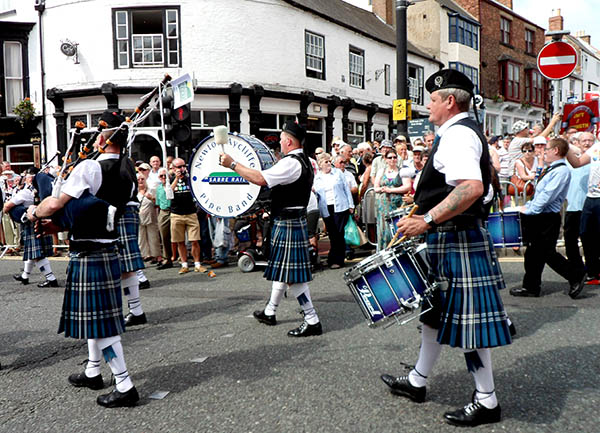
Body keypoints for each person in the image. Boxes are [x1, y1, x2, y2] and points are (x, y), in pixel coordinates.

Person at [385, 69, 511, 427]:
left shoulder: (457, 135)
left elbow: (471, 187)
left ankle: (487, 400)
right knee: (433, 315)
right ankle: (417, 381)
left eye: (432, 99)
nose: (428, 106)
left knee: (470, 325)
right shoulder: (461, 133)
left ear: (449, 101)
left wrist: (427, 220)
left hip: (456, 236)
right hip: (454, 235)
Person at [26, 110, 139, 408]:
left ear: (102, 138)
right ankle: (92, 370)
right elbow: (95, 210)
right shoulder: (129, 172)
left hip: (91, 255)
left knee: (102, 325)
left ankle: (125, 384)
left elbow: (56, 203)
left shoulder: (89, 167)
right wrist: (63, 225)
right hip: (107, 247)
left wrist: (34, 213)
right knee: (95, 318)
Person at [219, 121, 322, 337]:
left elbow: (260, 179)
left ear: (289, 141)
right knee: (285, 271)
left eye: (282, 138)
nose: (280, 143)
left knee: (294, 276)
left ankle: (312, 319)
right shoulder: (303, 161)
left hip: (288, 223)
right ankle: (270, 311)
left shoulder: (291, 163)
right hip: (290, 220)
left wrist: (232, 164)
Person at [511, 138, 586, 298]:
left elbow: (546, 196)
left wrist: (527, 209)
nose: (544, 152)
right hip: (540, 217)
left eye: (547, 149)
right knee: (533, 253)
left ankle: (575, 275)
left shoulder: (561, 171)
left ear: (556, 151)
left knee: (546, 253)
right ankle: (531, 287)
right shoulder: (551, 168)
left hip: (547, 218)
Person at [4, 169, 58, 287]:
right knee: (32, 252)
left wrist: (8, 211)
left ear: (31, 178)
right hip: (41, 220)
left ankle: (51, 278)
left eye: (27, 176)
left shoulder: (26, 192)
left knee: (37, 254)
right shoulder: (43, 189)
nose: (25, 178)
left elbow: (7, 205)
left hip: (31, 223)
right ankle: (25, 276)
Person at [565, 131, 600, 286]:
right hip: (591, 197)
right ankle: (593, 272)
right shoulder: (596, 148)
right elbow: (577, 163)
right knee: (586, 234)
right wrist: (565, 148)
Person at [314, 153, 354, 269]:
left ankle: (338, 260)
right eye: (326, 162)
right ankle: (332, 258)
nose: (329, 164)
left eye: (329, 161)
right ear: (320, 164)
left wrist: (350, 205)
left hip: (340, 206)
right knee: (332, 233)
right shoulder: (317, 177)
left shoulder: (338, 173)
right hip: (326, 208)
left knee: (338, 233)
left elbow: (346, 189)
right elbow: (317, 193)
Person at [169, 158, 204, 274]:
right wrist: (177, 179)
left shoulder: (191, 179)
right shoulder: (170, 179)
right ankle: (184, 264)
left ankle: (197, 264)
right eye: (179, 167)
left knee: (195, 240)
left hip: (191, 213)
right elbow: (168, 194)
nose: (182, 169)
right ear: (173, 168)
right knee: (180, 241)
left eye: (183, 166)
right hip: (176, 214)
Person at [374, 149, 411, 251]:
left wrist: (391, 190)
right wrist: (381, 189)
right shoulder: (381, 171)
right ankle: (384, 251)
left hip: (398, 204)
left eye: (394, 157)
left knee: (396, 229)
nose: (392, 159)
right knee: (383, 230)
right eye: (390, 157)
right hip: (383, 204)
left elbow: (407, 186)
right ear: (385, 159)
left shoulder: (402, 170)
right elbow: (376, 187)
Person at [137, 173, 161, 264]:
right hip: (139, 217)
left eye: (142, 179)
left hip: (151, 216)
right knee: (141, 238)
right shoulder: (134, 192)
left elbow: (157, 203)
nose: (140, 181)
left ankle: (156, 255)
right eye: (138, 179)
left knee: (153, 237)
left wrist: (151, 198)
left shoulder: (151, 190)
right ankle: (143, 255)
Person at [155, 167, 173, 269]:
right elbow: (157, 203)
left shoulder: (171, 186)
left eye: (164, 175)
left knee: (176, 236)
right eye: (161, 176)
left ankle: (181, 258)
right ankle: (167, 259)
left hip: (173, 211)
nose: (163, 177)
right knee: (164, 236)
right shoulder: (159, 188)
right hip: (163, 211)